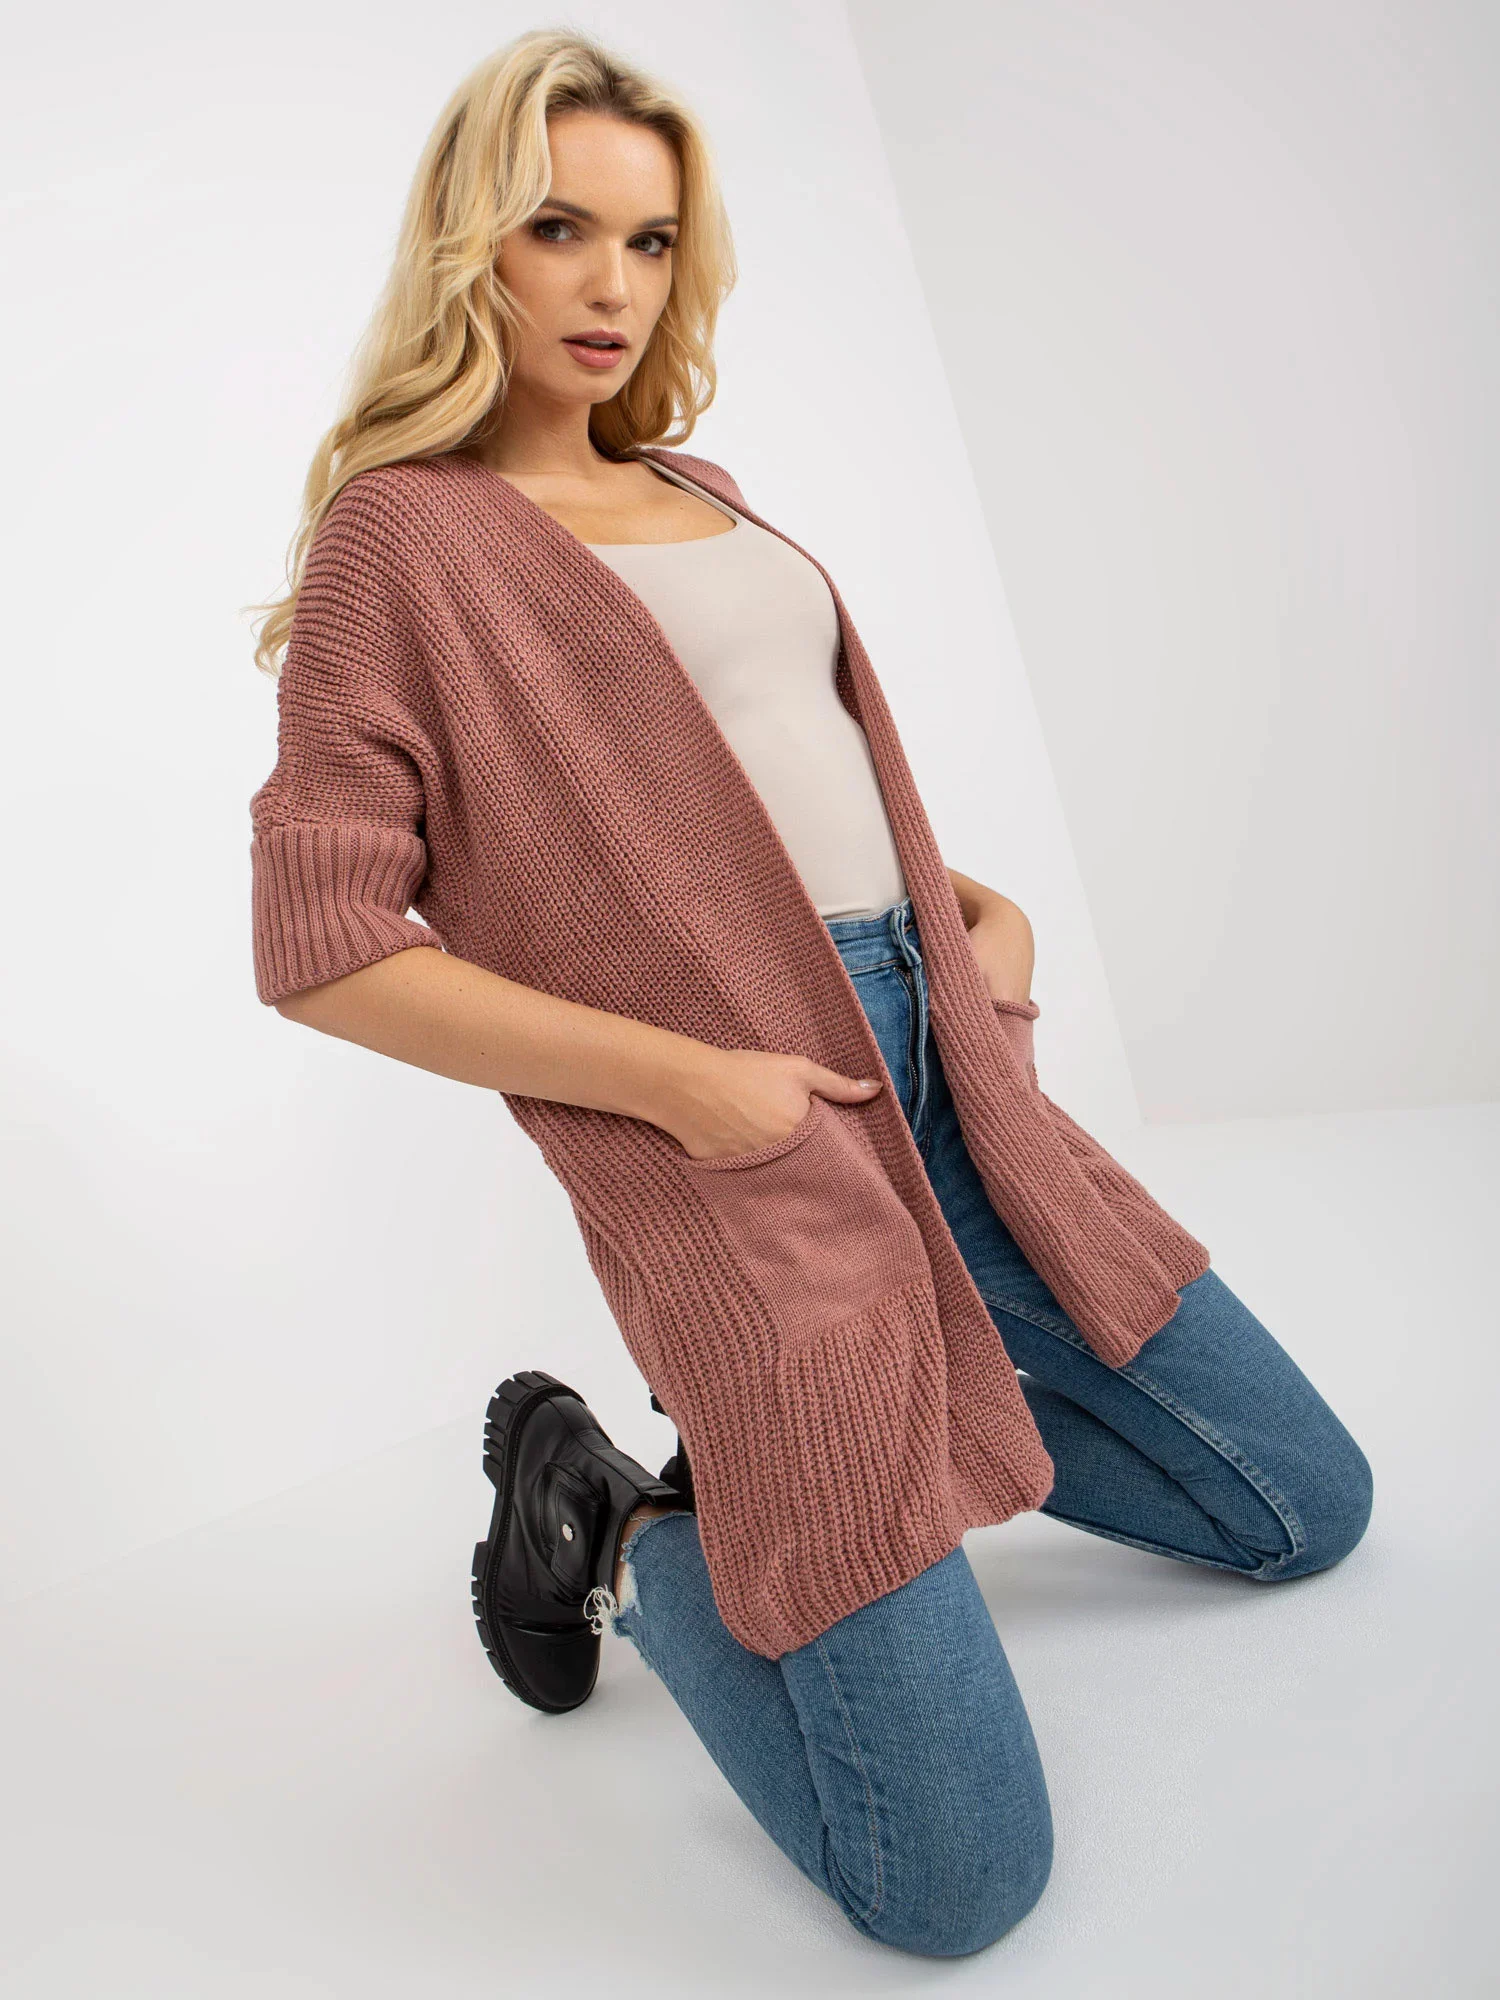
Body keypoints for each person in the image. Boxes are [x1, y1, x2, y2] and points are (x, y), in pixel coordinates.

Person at [245, 29, 1374, 1961]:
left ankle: (903, 1445)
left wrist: (975, 920)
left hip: (960, 1079)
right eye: (559, 228)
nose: (613, 283)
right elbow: (325, 946)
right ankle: (620, 1521)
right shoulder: (403, 539)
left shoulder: (702, 485)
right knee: (953, 1886)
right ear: (468, 243)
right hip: (756, 1152)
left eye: (651, 241)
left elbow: (764, 782)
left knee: (1302, 1509)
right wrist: (691, 1091)